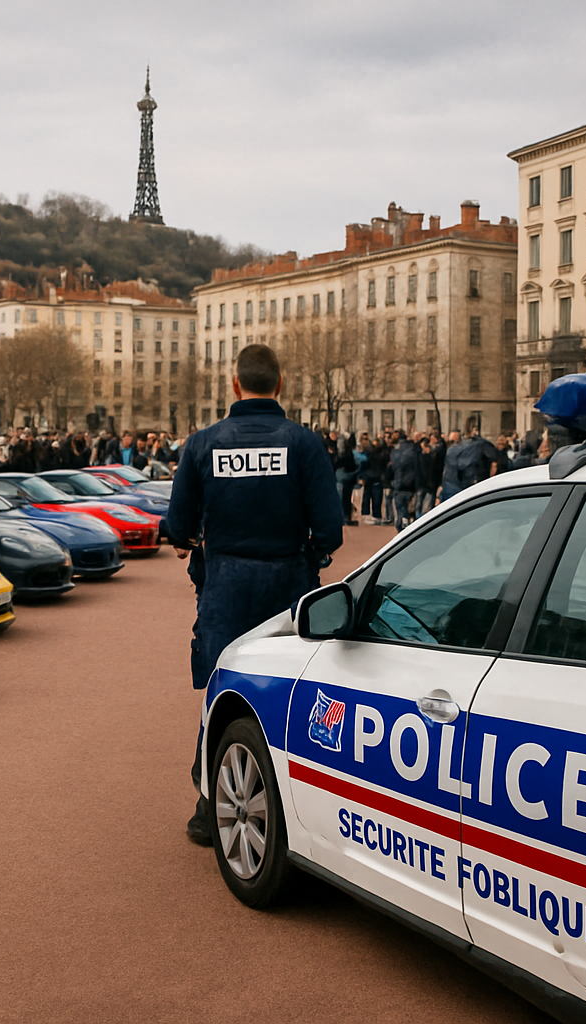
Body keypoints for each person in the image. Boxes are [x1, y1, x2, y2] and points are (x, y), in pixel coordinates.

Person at [166, 344, 343, 846]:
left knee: (225, 692)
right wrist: (311, 553)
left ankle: (211, 805)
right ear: (280, 385)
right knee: (292, 692)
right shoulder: (304, 443)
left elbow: (178, 526)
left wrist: (194, 543)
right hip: (290, 586)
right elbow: (330, 529)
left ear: (235, 386)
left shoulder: (203, 444)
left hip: (225, 586)